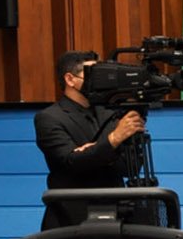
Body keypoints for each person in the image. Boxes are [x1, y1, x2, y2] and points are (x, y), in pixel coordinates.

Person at [34, 50, 147, 229]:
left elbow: (129, 167)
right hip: (70, 220)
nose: (99, 81)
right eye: (93, 75)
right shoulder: (49, 118)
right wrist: (113, 140)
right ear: (70, 79)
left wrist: (94, 149)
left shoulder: (111, 113)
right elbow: (71, 162)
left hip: (116, 216)